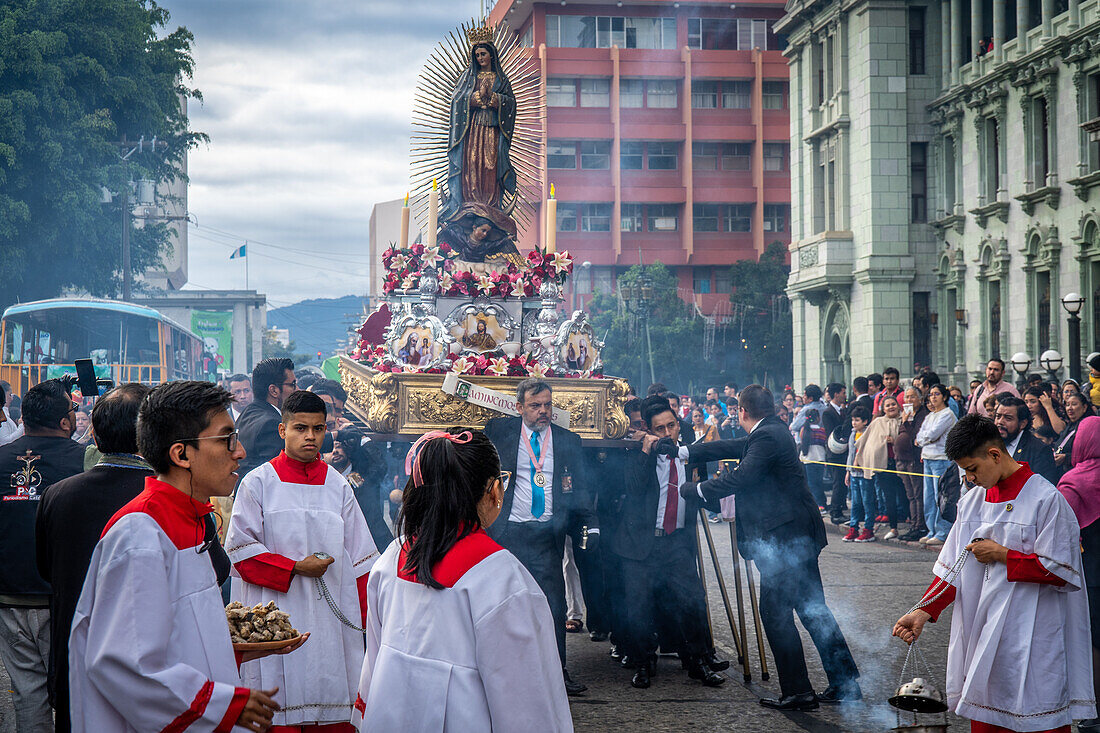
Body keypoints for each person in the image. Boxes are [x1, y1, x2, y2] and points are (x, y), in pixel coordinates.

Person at [69, 380, 307, 732]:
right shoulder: (142, 533)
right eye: (226, 439)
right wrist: (224, 706)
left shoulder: (192, 519)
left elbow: (180, 638)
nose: (239, 451)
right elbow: (124, 663)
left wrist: (241, 650)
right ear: (181, 454)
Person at [352, 429, 571, 731]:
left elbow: (374, 662)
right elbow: (527, 698)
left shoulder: (393, 556)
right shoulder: (502, 577)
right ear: (494, 491)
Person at [893, 414, 1094, 732]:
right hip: (985, 630)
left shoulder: (1046, 500)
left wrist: (1003, 555)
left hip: (1036, 629)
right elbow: (951, 569)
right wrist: (923, 611)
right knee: (988, 715)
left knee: (1040, 715)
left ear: (995, 454)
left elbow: (1062, 572)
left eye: (972, 469)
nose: (970, 479)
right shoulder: (971, 503)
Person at [676, 385, 860, 710]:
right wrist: (688, 453)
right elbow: (735, 445)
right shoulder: (770, 431)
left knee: (775, 614)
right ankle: (845, 682)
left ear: (742, 412)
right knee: (812, 610)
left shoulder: (767, 436)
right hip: (794, 537)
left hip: (785, 542)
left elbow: (740, 478)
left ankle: (799, 692)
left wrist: (696, 489)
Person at [227, 390, 378, 730]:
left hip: (332, 623)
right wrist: (294, 567)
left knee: (333, 704)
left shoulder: (338, 486)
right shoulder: (258, 483)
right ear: (282, 430)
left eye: (318, 429)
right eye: (300, 428)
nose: (310, 436)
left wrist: (370, 625)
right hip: (275, 619)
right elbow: (239, 553)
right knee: (280, 709)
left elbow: (363, 562)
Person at [34, 384, 169, 733]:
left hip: (73, 659)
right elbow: (215, 571)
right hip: (150, 665)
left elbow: (46, 569)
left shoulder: (57, 495)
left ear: (94, 431)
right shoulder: (167, 497)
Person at [483, 378, 598, 695]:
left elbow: (581, 489)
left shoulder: (568, 441)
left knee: (553, 607)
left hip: (547, 535)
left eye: (548, 404)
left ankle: (557, 673)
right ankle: (501, 674)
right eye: (535, 405)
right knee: (503, 605)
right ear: (519, 408)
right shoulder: (499, 431)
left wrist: (591, 524)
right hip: (508, 532)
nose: (543, 411)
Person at [613, 397, 722, 689]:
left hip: (675, 542)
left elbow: (704, 490)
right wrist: (647, 451)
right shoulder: (637, 453)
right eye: (659, 428)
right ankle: (644, 663)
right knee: (639, 607)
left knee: (693, 600)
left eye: (671, 426)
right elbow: (634, 488)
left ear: (678, 425)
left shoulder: (690, 453)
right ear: (649, 430)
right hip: (640, 544)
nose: (667, 433)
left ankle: (699, 661)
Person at [0, 379, 86, 732]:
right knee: (74, 691)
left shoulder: (1, 458)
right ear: (65, 422)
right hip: (64, 598)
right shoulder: (85, 462)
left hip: (10, 595)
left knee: (27, 694)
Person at [1056, 415, 1100, 733]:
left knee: (1093, 643)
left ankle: (1092, 710)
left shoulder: (1073, 482)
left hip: (1091, 576)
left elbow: (1062, 533)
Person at [327, 425, 393, 551]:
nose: (335, 451)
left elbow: (380, 465)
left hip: (374, 542)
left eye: (339, 446)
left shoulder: (366, 475)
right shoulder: (325, 482)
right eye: (330, 448)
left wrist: (362, 438)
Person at [852, 395, 903, 540]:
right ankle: (894, 528)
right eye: (887, 405)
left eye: (893, 404)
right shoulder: (877, 422)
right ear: (882, 409)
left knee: (909, 496)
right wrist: (857, 459)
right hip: (884, 465)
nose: (891, 407)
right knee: (889, 497)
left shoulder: (905, 419)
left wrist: (895, 441)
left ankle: (914, 525)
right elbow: (864, 442)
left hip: (902, 463)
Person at [237, 357, 297, 481]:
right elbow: (274, 478)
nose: (296, 390)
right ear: (274, 390)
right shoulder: (272, 424)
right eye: (292, 385)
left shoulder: (248, 413)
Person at [914, 384, 959, 547]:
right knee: (929, 498)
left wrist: (924, 439)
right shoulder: (930, 415)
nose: (933, 397)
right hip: (927, 458)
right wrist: (924, 439)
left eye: (937, 394)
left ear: (944, 397)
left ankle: (942, 531)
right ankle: (931, 529)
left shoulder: (947, 414)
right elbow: (920, 435)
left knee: (940, 497)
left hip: (941, 459)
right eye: (931, 395)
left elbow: (933, 434)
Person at [993, 395, 1058, 484]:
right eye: (998, 416)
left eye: (1008, 418)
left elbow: (1044, 488)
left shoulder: (1040, 450)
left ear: (1022, 423)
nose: (1000, 422)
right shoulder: (988, 444)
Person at [896, 386, 929, 541]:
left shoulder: (922, 415)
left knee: (918, 494)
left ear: (920, 399)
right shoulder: (906, 415)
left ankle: (920, 526)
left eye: (912, 397)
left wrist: (907, 421)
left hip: (914, 460)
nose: (908, 400)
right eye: (907, 397)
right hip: (902, 459)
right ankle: (914, 524)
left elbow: (914, 436)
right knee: (911, 495)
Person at [843, 407, 875, 542]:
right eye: (853, 420)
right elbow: (850, 454)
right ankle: (853, 528)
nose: (854, 423)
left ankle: (868, 530)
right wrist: (848, 471)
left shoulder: (868, 434)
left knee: (867, 502)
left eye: (857, 420)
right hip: (854, 473)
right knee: (855, 503)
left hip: (865, 474)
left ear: (865, 421)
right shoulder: (852, 434)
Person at [1055, 390, 1095, 475]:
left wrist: (1066, 457)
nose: (1070, 408)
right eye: (1067, 405)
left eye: (1074, 404)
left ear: (1084, 407)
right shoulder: (1069, 426)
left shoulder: (1090, 428)